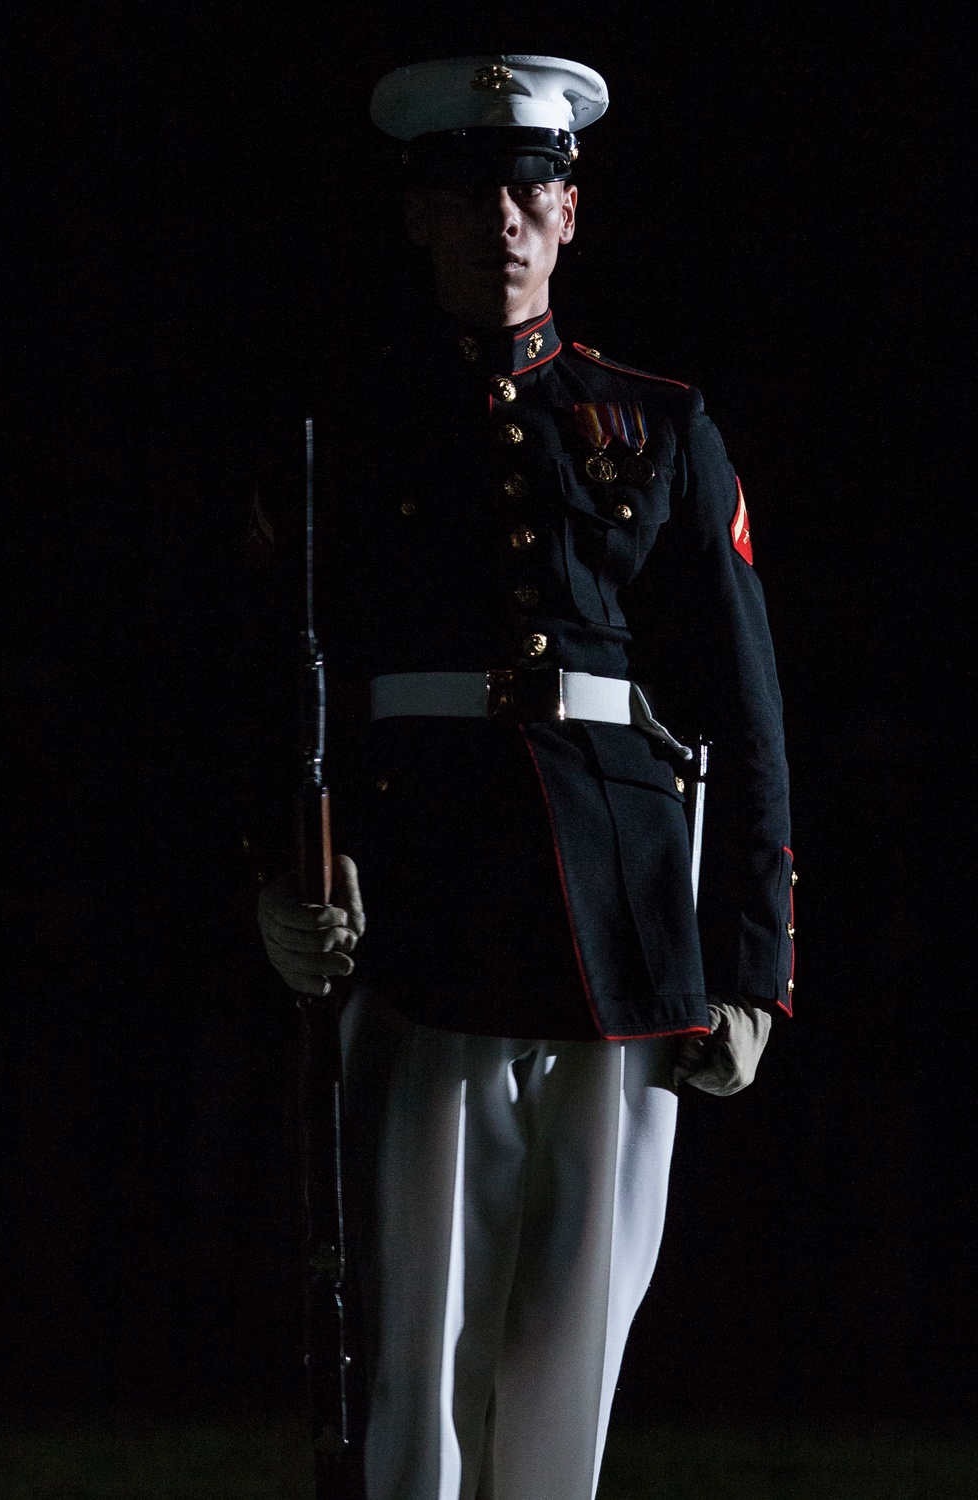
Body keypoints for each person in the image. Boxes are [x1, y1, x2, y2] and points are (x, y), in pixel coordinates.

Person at [257, 54, 794, 1500]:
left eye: (527, 188)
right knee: (412, 1336)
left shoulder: (661, 426)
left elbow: (742, 712)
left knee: (575, 1336)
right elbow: (276, 676)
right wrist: (282, 873)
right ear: (418, 218)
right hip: (418, 895)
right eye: (464, 191)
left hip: (622, 912)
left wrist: (751, 957)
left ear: (569, 212)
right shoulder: (345, 429)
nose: (499, 215)